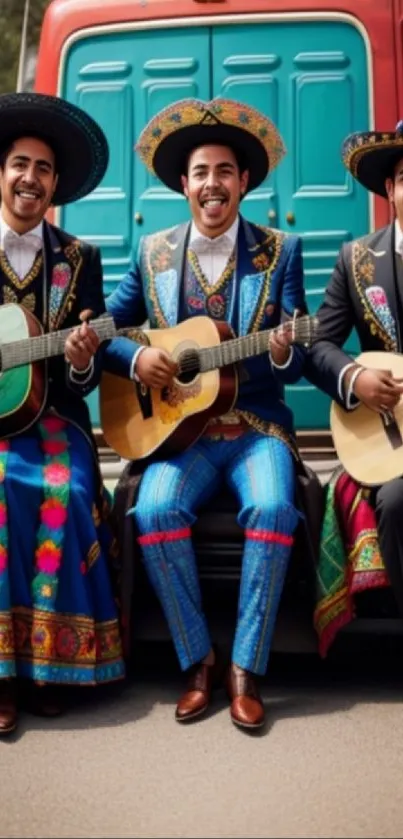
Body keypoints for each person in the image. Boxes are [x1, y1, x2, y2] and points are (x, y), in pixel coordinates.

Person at [103, 97, 308, 729]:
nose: (213, 183)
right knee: (155, 508)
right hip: (179, 436)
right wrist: (136, 363)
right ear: (183, 185)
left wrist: (280, 351)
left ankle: (246, 667)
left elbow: (299, 362)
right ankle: (198, 660)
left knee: (274, 507)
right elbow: (108, 328)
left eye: (225, 171)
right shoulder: (152, 253)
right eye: (201, 172)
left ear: (243, 182)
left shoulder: (283, 251)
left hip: (256, 430)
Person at [0, 92, 125, 736]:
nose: (31, 178)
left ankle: (48, 666)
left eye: (44, 169)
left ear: (56, 184)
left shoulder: (80, 259)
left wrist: (79, 355)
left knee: (64, 490)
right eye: (20, 163)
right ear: (1, 173)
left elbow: (88, 370)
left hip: (54, 420)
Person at [304, 122, 403, 655]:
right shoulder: (357, 260)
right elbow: (318, 346)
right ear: (390, 189)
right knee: (397, 498)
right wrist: (356, 377)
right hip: (391, 441)